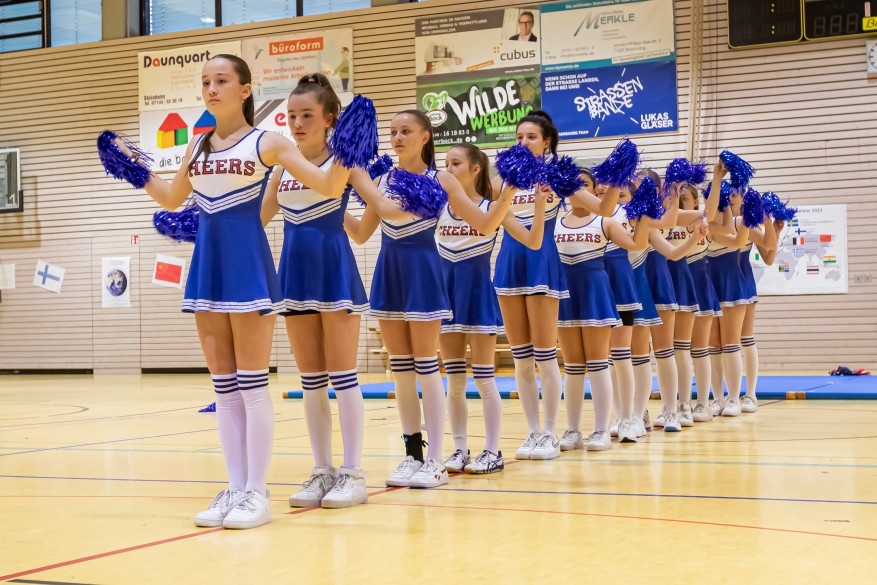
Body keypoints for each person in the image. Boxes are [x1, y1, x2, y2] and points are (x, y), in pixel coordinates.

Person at [125, 54, 379, 529]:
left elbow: (328, 185)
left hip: (251, 270)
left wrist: (349, 144)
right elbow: (173, 198)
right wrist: (133, 171)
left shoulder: (269, 142)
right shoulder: (197, 144)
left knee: (253, 384)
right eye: (205, 81)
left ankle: (258, 492)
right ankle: (236, 485)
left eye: (221, 80)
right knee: (224, 387)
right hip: (209, 268)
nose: (211, 88)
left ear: (244, 90)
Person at [344, 110, 515, 488]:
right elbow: (361, 233)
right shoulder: (381, 180)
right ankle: (413, 454)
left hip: (424, 272)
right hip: (389, 273)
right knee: (401, 371)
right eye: (393, 131)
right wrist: (332, 203)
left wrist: (509, 192)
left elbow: (485, 223)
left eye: (406, 131)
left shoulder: (442, 179)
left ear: (425, 137)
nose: (397, 137)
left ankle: (436, 459)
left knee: (426, 367)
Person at [261, 73, 369, 509]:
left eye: (307, 115)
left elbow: (375, 214)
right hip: (295, 274)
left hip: (334, 272)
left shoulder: (345, 161)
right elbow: (256, 219)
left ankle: (353, 473)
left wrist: (414, 200)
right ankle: (322, 470)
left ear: (329, 118)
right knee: (310, 381)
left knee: (343, 376)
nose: (297, 123)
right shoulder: (282, 166)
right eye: (291, 116)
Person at [492, 110, 619, 461]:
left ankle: (550, 431)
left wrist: (616, 179)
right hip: (509, 265)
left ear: (546, 142)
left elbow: (603, 208)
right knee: (520, 359)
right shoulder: (502, 179)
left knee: (545, 356)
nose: (523, 142)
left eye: (531, 137)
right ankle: (533, 431)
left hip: (543, 265)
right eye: (519, 137)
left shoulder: (557, 176)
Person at [439, 143, 547, 474]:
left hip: (477, 295)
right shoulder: (437, 206)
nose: (448, 169)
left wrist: (539, 206)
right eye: (446, 163)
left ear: (475, 169)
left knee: (485, 379)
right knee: (454, 380)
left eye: (456, 163)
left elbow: (533, 242)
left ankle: (492, 451)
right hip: (445, 296)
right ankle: (459, 449)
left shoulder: (493, 207)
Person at [556, 170, 651, 451]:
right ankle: (573, 430)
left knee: (599, 362)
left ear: (595, 190)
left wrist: (645, 216)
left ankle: (601, 429)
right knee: (572, 366)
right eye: (573, 184)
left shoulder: (605, 220)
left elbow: (637, 244)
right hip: (566, 296)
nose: (578, 189)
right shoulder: (554, 222)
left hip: (596, 294)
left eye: (585, 184)